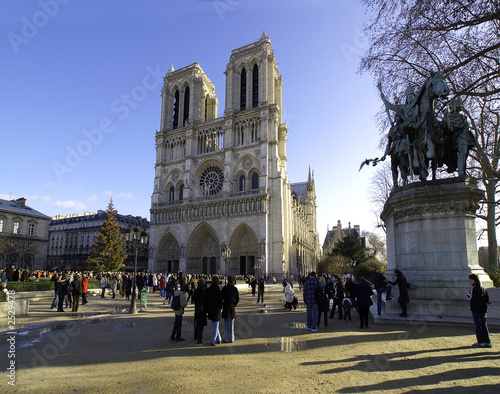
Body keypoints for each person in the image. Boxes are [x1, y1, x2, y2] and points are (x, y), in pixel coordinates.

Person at [467, 274, 491, 348]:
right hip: (483, 308)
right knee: (484, 325)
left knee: (478, 325)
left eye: (470, 279)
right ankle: (487, 341)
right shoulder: (483, 288)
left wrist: (468, 296)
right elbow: (487, 299)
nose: (470, 281)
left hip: (476, 308)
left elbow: (471, 298)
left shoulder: (473, 288)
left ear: (473, 280)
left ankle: (481, 341)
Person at [204, 275, 223, 346]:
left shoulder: (208, 290)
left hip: (210, 308)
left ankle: (219, 339)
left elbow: (206, 300)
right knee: (216, 324)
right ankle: (213, 340)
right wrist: (221, 307)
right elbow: (220, 301)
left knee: (215, 324)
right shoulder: (218, 290)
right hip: (217, 309)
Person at [221, 276, 239, 343]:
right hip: (232, 307)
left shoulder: (224, 288)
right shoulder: (235, 289)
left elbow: (221, 298)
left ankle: (226, 338)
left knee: (226, 324)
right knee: (231, 324)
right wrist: (234, 304)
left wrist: (223, 304)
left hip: (226, 306)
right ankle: (232, 338)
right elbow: (237, 299)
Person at [192, 278, 207, 344]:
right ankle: (199, 339)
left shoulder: (196, 291)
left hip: (197, 308)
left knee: (197, 322)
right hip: (202, 309)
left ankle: (195, 336)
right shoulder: (203, 291)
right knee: (201, 324)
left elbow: (194, 300)